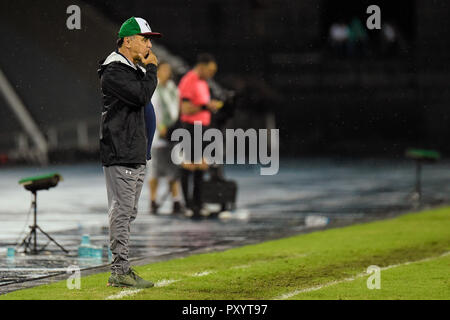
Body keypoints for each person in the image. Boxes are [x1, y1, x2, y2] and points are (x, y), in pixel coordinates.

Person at [98, 16, 161, 288]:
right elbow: (140, 96)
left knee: (129, 212)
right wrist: (152, 70)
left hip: (134, 150)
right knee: (122, 212)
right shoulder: (114, 70)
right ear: (128, 40)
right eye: (145, 38)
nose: (149, 44)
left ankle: (123, 267)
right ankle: (119, 270)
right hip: (121, 150)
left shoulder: (130, 67)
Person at [178, 53, 223, 218]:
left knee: (202, 166)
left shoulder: (204, 82)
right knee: (189, 165)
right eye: (210, 70)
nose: (212, 74)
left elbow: (202, 105)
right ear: (202, 66)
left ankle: (198, 203)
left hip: (203, 127)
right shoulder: (189, 80)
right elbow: (186, 109)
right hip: (190, 127)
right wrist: (206, 107)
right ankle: (188, 204)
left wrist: (208, 107)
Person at [149, 62, 183, 214]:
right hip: (157, 136)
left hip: (172, 133)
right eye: (163, 70)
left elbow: (176, 109)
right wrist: (159, 126)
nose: (166, 73)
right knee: (155, 171)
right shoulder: (152, 88)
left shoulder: (172, 88)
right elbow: (150, 110)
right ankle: (153, 200)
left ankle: (176, 201)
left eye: (168, 70)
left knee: (173, 170)